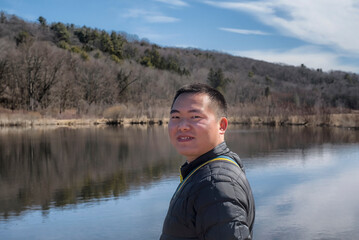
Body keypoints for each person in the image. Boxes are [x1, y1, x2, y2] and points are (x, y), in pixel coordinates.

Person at [160, 83, 255, 240]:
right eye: (176, 117)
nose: (182, 126)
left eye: (195, 117)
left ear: (222, 125)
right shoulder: (204, 172)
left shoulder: (216, 183)